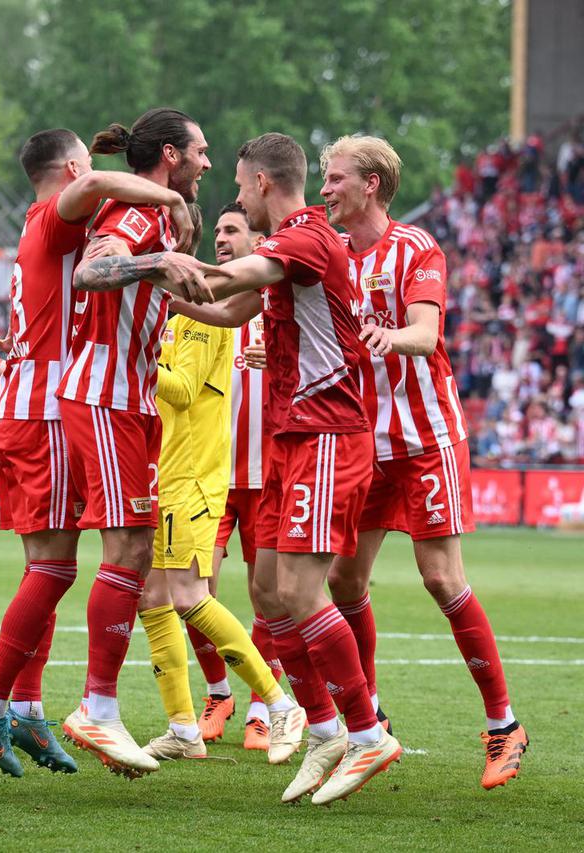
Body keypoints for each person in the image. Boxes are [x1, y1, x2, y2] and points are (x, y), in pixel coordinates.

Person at [0, 126, 196, 777]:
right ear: (68, 169)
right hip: (44, 408)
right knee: (59, 567)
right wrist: (165, 198)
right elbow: (94, 194)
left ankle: (24, 706)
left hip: (41, 404)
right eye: (89, 170)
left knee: (51, 568)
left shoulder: (48, 226)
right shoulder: (53, 216)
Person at [180, 132, 400, 805]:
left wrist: (144, 264)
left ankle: (366, 732)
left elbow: (229, 278)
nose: (237, 196)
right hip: (291, 438)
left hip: (328, 434)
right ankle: (327, 729)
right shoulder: (283, 250)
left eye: (242, 187)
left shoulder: (304, 237)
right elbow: (223, 309)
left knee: (303, 594)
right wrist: (155, 298)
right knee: (272, 594)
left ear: (264, 184)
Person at [320, 134, 526, 789]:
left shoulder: (416, 246)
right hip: (362, 445)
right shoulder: (330, 256)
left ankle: (504, 724)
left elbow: (427, 331)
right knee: (345, 583)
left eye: (335, 178)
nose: (326, 189)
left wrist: (390, 335)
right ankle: (370, 725)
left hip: (425, 439)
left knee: (441, 578)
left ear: (371, 184)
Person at [50, 107, 212, 777]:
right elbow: (91, 273)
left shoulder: (160, 221)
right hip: (105, 397)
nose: (207, 161)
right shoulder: (137, 217)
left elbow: (176, 287)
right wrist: (158, 259)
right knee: (127, 547)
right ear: (170, 157)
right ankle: (96, 707)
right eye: (200, 151)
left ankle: (90, 706)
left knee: (133, 550)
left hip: (128, 401)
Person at [135, 204, 304, 764]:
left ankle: (279, 704)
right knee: (153, 597)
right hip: (170, 470)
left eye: (236, 230)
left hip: (195, 475)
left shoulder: (203, 310)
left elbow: (182, 390)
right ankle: (183, 727)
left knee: (189, 595)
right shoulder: (178, 307)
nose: (228, 240)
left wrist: (138, 360)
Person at [197, 203, 281, 751]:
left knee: (269, 597)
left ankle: (261, 707)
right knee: (193, 592)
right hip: (209, 475)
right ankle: (217, 690)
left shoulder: (283, 302)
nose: (222, 239)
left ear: (259, 239)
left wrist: (275, 362)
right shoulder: (201, 302)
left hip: (271, 473)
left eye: (233, 230)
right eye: (220, 231)